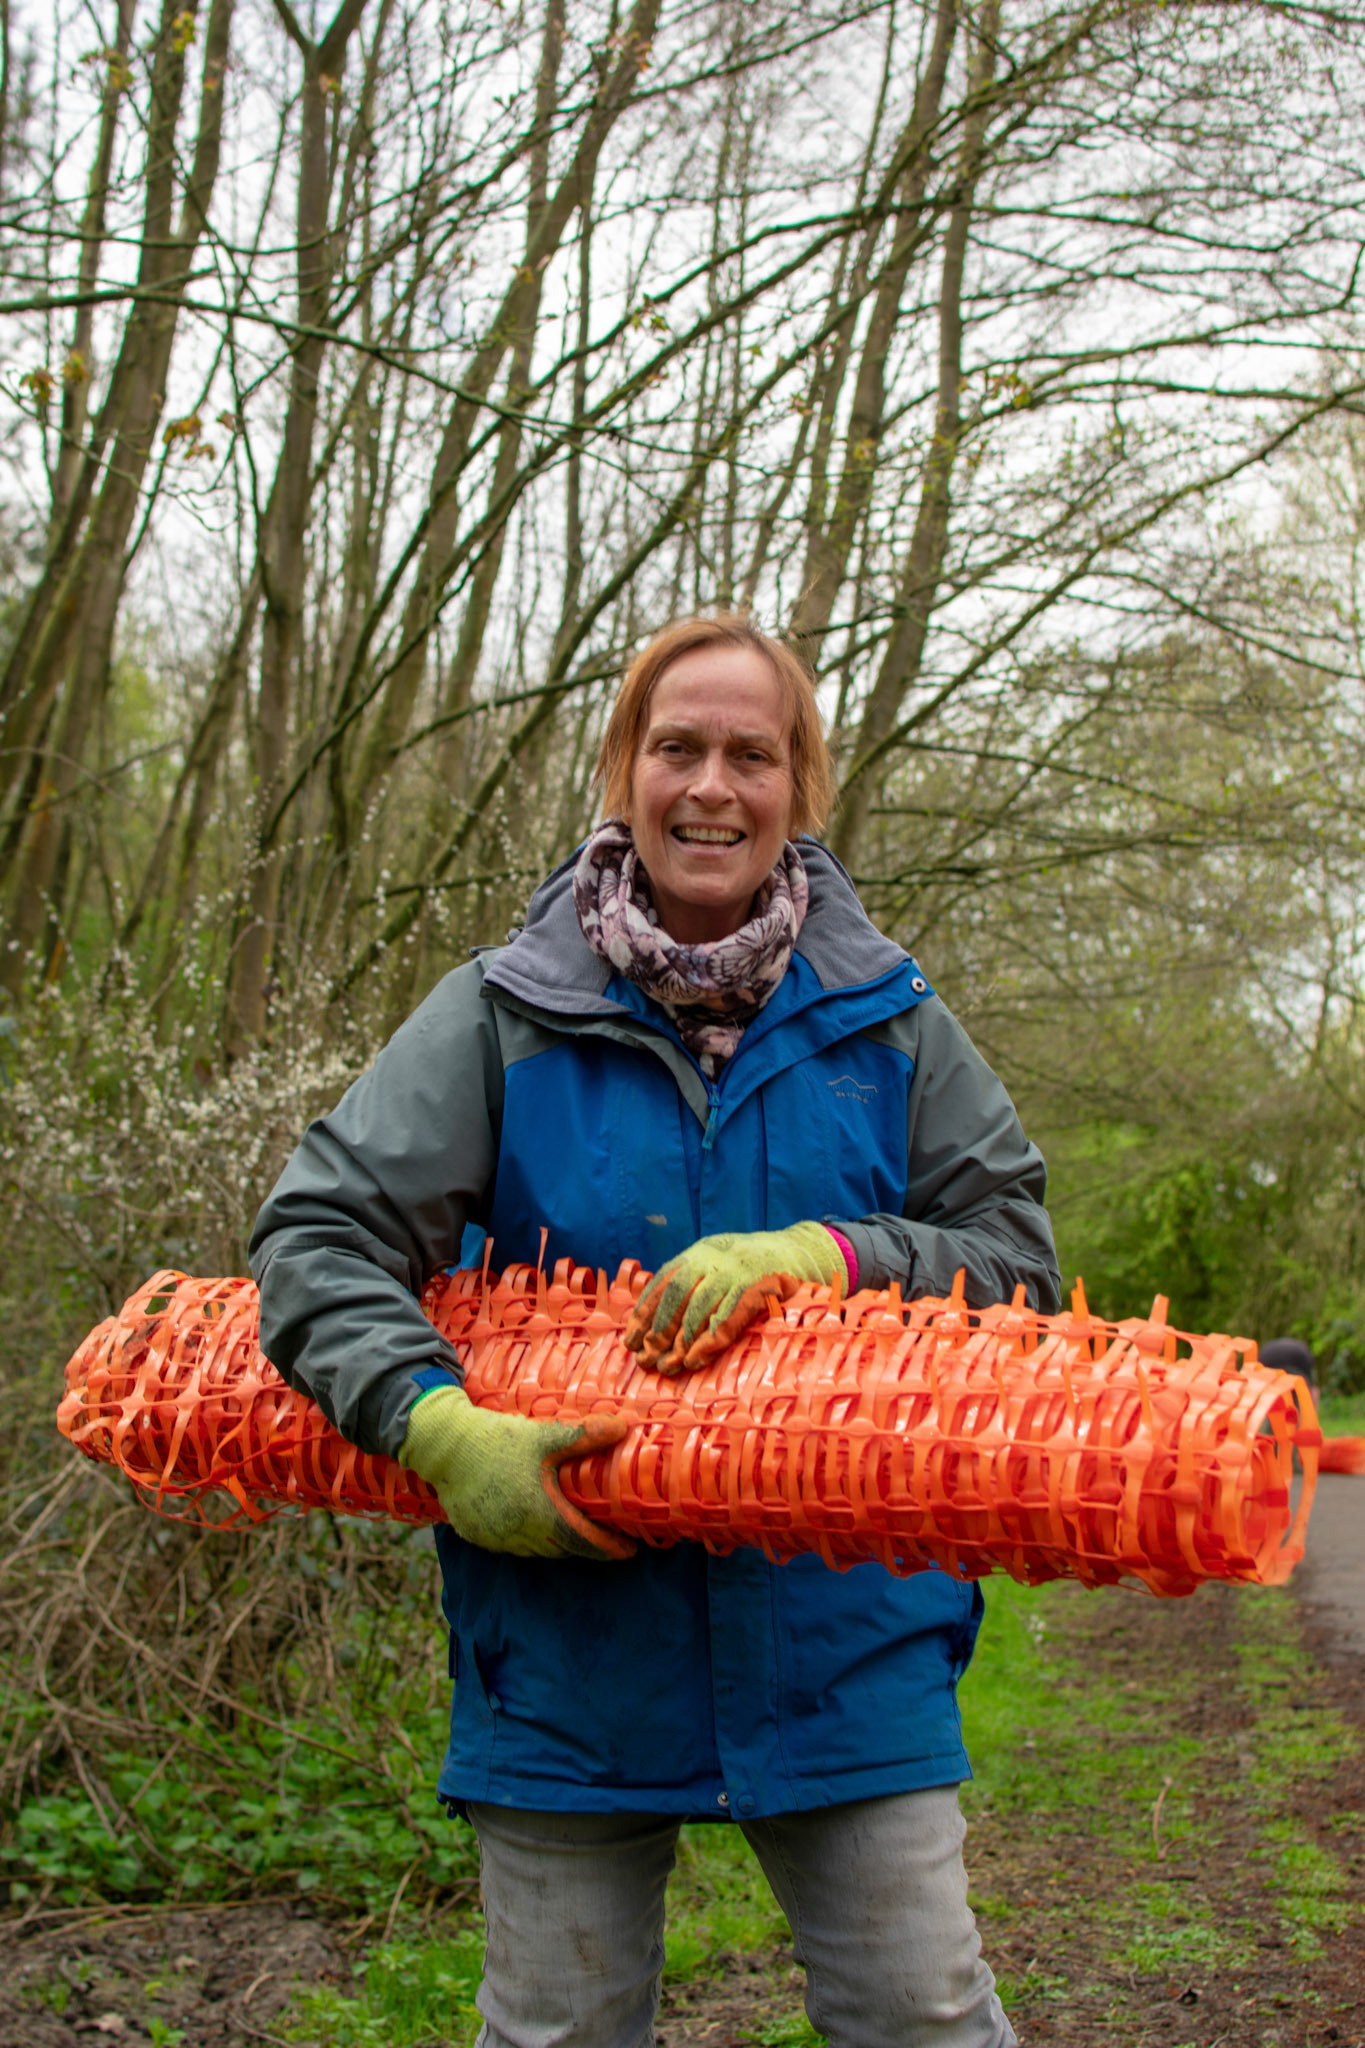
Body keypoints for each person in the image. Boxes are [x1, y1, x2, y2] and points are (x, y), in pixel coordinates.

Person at [250, 613, 1062, 2048]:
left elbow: (1020, 1271)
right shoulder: (499, 1017)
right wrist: (436, 1430)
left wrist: (831, 1252)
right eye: (676, 746)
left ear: (798, 788)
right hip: (562, 1638)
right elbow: (318, 1236)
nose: (711, 786)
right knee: (557, 2029)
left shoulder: (891, 1026)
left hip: (846, 1641)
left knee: (922, 2016)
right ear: (622, 771)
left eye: (752, 755)